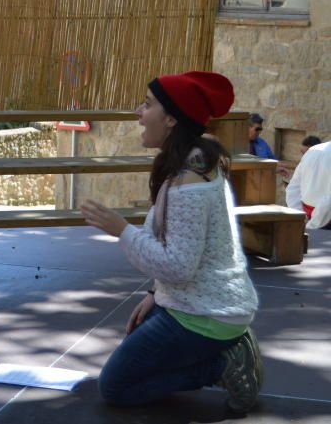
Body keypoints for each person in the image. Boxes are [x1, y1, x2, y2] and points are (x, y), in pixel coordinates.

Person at [80, 71, 263, 414]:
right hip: (198, 303)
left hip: (207, 313)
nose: (138, 112)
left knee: (116, 386)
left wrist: (122, 230)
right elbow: (182, 245)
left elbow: (178, 266)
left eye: (147, 105)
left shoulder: (189, 182)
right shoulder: (194, 162)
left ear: (172, 118)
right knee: (138, 354)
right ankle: (220, 349)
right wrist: (154, 294)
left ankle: (224, 365)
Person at [285, 139, 331, 230]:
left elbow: (293, 187)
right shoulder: (314, 150)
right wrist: (312, 224)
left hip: (310, 218)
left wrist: (300, 216)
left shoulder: (313, 150)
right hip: (324, 220)